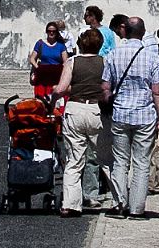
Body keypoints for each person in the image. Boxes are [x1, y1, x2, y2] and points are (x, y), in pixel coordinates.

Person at [102, 15, 159, 220]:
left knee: (120, 161)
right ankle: (137, 209)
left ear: (125, 31)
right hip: (144, 115)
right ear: (142, 32)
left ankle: (119, 204)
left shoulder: (114, 54)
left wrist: (108, 106)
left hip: (120, 113)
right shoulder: (151, 56)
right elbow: (157, 91)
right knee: (141, 162)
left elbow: (105, 88)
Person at [53, 26, 111, 216]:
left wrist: (52, 99)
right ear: (100, 45)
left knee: (74, 160)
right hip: (97, 110)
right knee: (104, 158)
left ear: (80, 44)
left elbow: (61, 89)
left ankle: (70, 204)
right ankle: (120, 199)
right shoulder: (105, 62)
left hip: (75, 109)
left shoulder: (72, 62)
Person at [30, 20, 69, 100]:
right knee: (41, 100)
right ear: (46, 32)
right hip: (42, 76)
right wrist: (38, 68)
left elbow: (66, 61)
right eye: (49, 31)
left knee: (55, 100)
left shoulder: (61, 45)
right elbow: (32, 59)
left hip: (56, 76)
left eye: (53, 31)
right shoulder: (40, 43)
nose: (51, 33)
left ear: (56, 32)